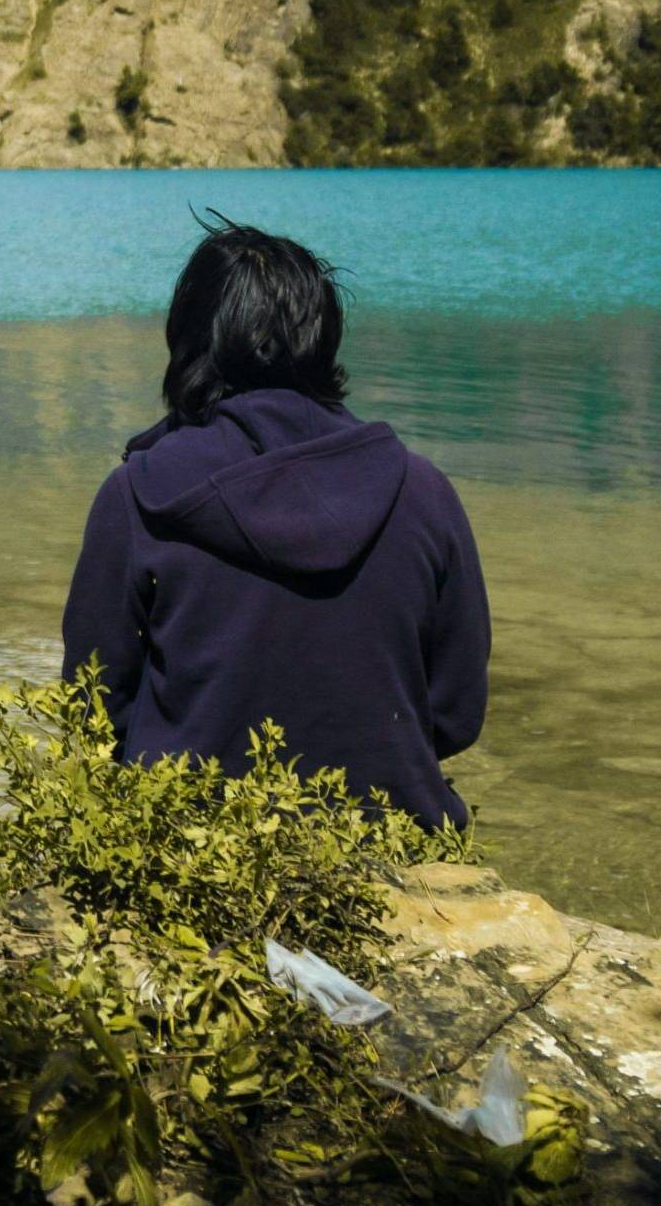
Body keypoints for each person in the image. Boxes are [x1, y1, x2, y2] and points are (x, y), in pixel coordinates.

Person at [60, 214, 489, 828]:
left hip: (187, 855)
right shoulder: (422, 491)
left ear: (187, 340)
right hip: (389, 838)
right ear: (323, 337)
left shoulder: (139, 494)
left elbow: (93, 704)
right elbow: (456, 712)